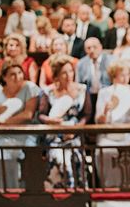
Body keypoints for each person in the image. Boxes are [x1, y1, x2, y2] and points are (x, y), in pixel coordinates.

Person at [0, 59, 40, 189]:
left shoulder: (30, 88)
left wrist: (3, 121)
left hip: (23, 133)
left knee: (13, 159)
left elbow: (28, 114)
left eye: (20, 73)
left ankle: (16, 193)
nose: (17, 77)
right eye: (12, 74)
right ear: (4, 77)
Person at [38, 54, 92, 188]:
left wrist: (76, 129)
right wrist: (51, 120)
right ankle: (60, 192)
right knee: (60, 158)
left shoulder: (82, 89)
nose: (68, 75)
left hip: (75, 133)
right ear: (56, 76)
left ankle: (79, 191)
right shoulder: (48, 92)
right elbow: (41, 115)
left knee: (76, 156)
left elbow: (86, 114)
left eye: (70, 71)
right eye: (64, 73)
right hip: (55, 134)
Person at [94, 61, 130, 188]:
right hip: (108, 133)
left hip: (129, 133)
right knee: (103, 151)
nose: (125, 79)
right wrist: (106, 111)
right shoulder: (104, 92)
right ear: (113, 77)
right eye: (121, 75)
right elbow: (99, 120)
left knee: (127, 151)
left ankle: (128, 184)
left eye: (126, 75)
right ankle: (107, 186)